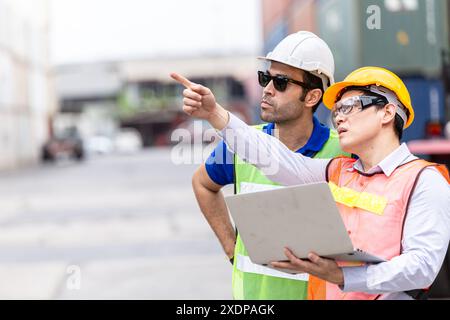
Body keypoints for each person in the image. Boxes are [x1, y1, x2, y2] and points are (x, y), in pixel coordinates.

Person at [171, 66, 450, 300]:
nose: (339, 116)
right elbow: (277, 161)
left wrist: (344, 276)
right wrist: (216, 115)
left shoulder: (424, 181)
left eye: (350, 106)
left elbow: (422, 266)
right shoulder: (339, 171)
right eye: (337, 110)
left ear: (387, 113)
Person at [179, 31, 349, 300]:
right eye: (265, 77)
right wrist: (230, 247)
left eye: (280, 82)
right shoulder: (240, 143)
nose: (267, 89)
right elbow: (202, 184)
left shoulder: (344, 152)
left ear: (312, 96)